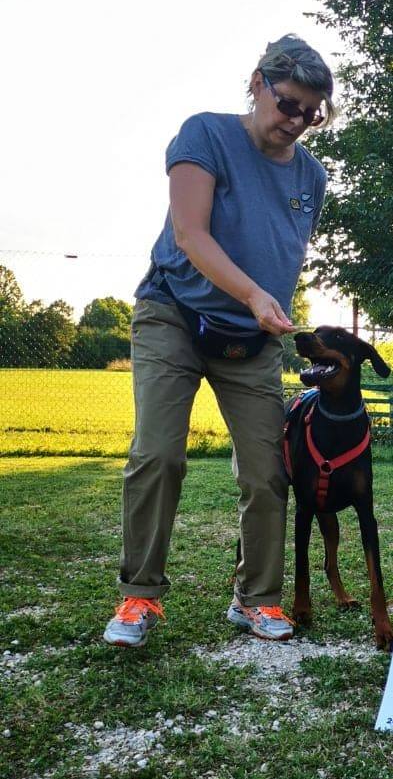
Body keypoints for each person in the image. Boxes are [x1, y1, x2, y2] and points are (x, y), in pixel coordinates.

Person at [104, 34, 334, 647]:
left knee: (268, 473)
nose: (298, 121)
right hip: (173, 317)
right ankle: (139, 598)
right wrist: (256, 295)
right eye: (288, 103)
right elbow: (190, 234)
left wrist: (266, 307)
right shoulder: (204, 134)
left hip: (250, 341)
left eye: (312, 113)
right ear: (257, 82)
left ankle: (255, 599)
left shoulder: (313, 176)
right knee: (158, 454)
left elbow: (279, 247)